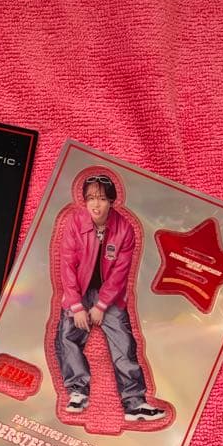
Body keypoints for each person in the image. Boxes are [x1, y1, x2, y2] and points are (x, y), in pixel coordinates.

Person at [54, 172, 166, 422]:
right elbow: (67, 266)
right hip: (78, 291)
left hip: (110, 294)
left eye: (102, 199)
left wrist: (102, 305)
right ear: (84, 200)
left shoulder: (124, 229)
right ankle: (77, 391)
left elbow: (119, 273)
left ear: (112, 201)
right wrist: (76, 306)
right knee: (67, 336)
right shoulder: (75, 222)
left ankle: (134, 403)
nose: (96, 204)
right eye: (91, 198)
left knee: (124, 343)